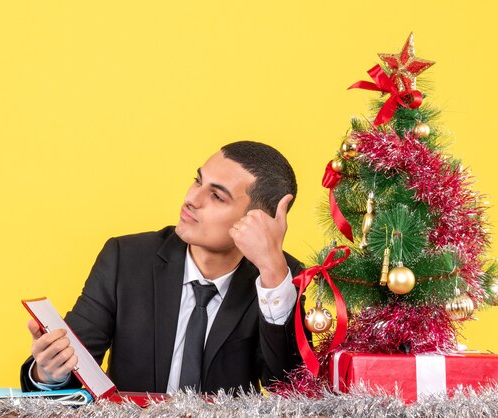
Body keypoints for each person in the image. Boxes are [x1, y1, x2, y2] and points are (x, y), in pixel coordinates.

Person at [20, 140, 308, 395]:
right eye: (197, 181)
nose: (192, 199)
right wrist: (49, 373)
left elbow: (291, 388)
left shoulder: (281, 277)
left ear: (259, 219)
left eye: (217, 196)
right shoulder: (125, 258)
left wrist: (272, 272)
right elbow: (75, 364)